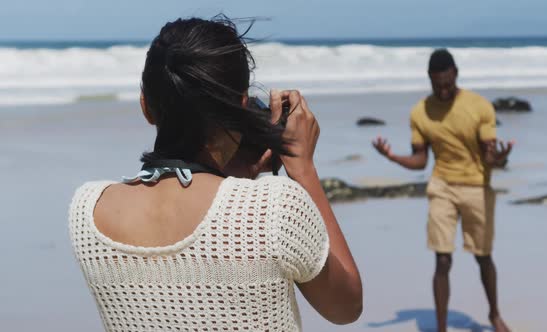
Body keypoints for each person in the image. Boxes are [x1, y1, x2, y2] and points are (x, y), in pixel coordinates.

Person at [69, 16, 362, 331]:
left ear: (146, 106)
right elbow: (346, 306)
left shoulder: (88, 210)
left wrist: (239, 176)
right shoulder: (275, 207)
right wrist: (302, 167)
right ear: (241, 106)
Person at [372, 49, 512, 332]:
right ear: (429, 80)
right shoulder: (420, 112)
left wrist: (500, 158)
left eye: (447, 83)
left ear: (456, 75)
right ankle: (440, 327)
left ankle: (495, 315)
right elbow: (421, 160)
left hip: (477, 186)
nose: (443, 90)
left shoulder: (480, 107)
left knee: (483, 256)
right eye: (437, 85)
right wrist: (392, 157)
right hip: (442, 187)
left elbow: (489, 157)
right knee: (442, 259)